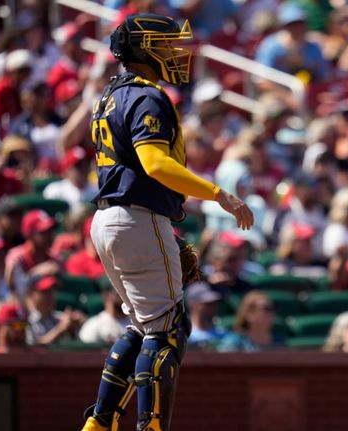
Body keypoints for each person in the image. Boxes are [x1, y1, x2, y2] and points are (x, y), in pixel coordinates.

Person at [81, 14, 253, 431]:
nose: (174, 52)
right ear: (143, 50)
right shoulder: (147, 95)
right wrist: (219, 194)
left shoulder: (109, 95)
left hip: (109, 220)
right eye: (164, 44)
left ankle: (99, 423)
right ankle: (151, 425)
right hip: (136, 217)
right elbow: (154, 163)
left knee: (144, 325)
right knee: (170, 328)